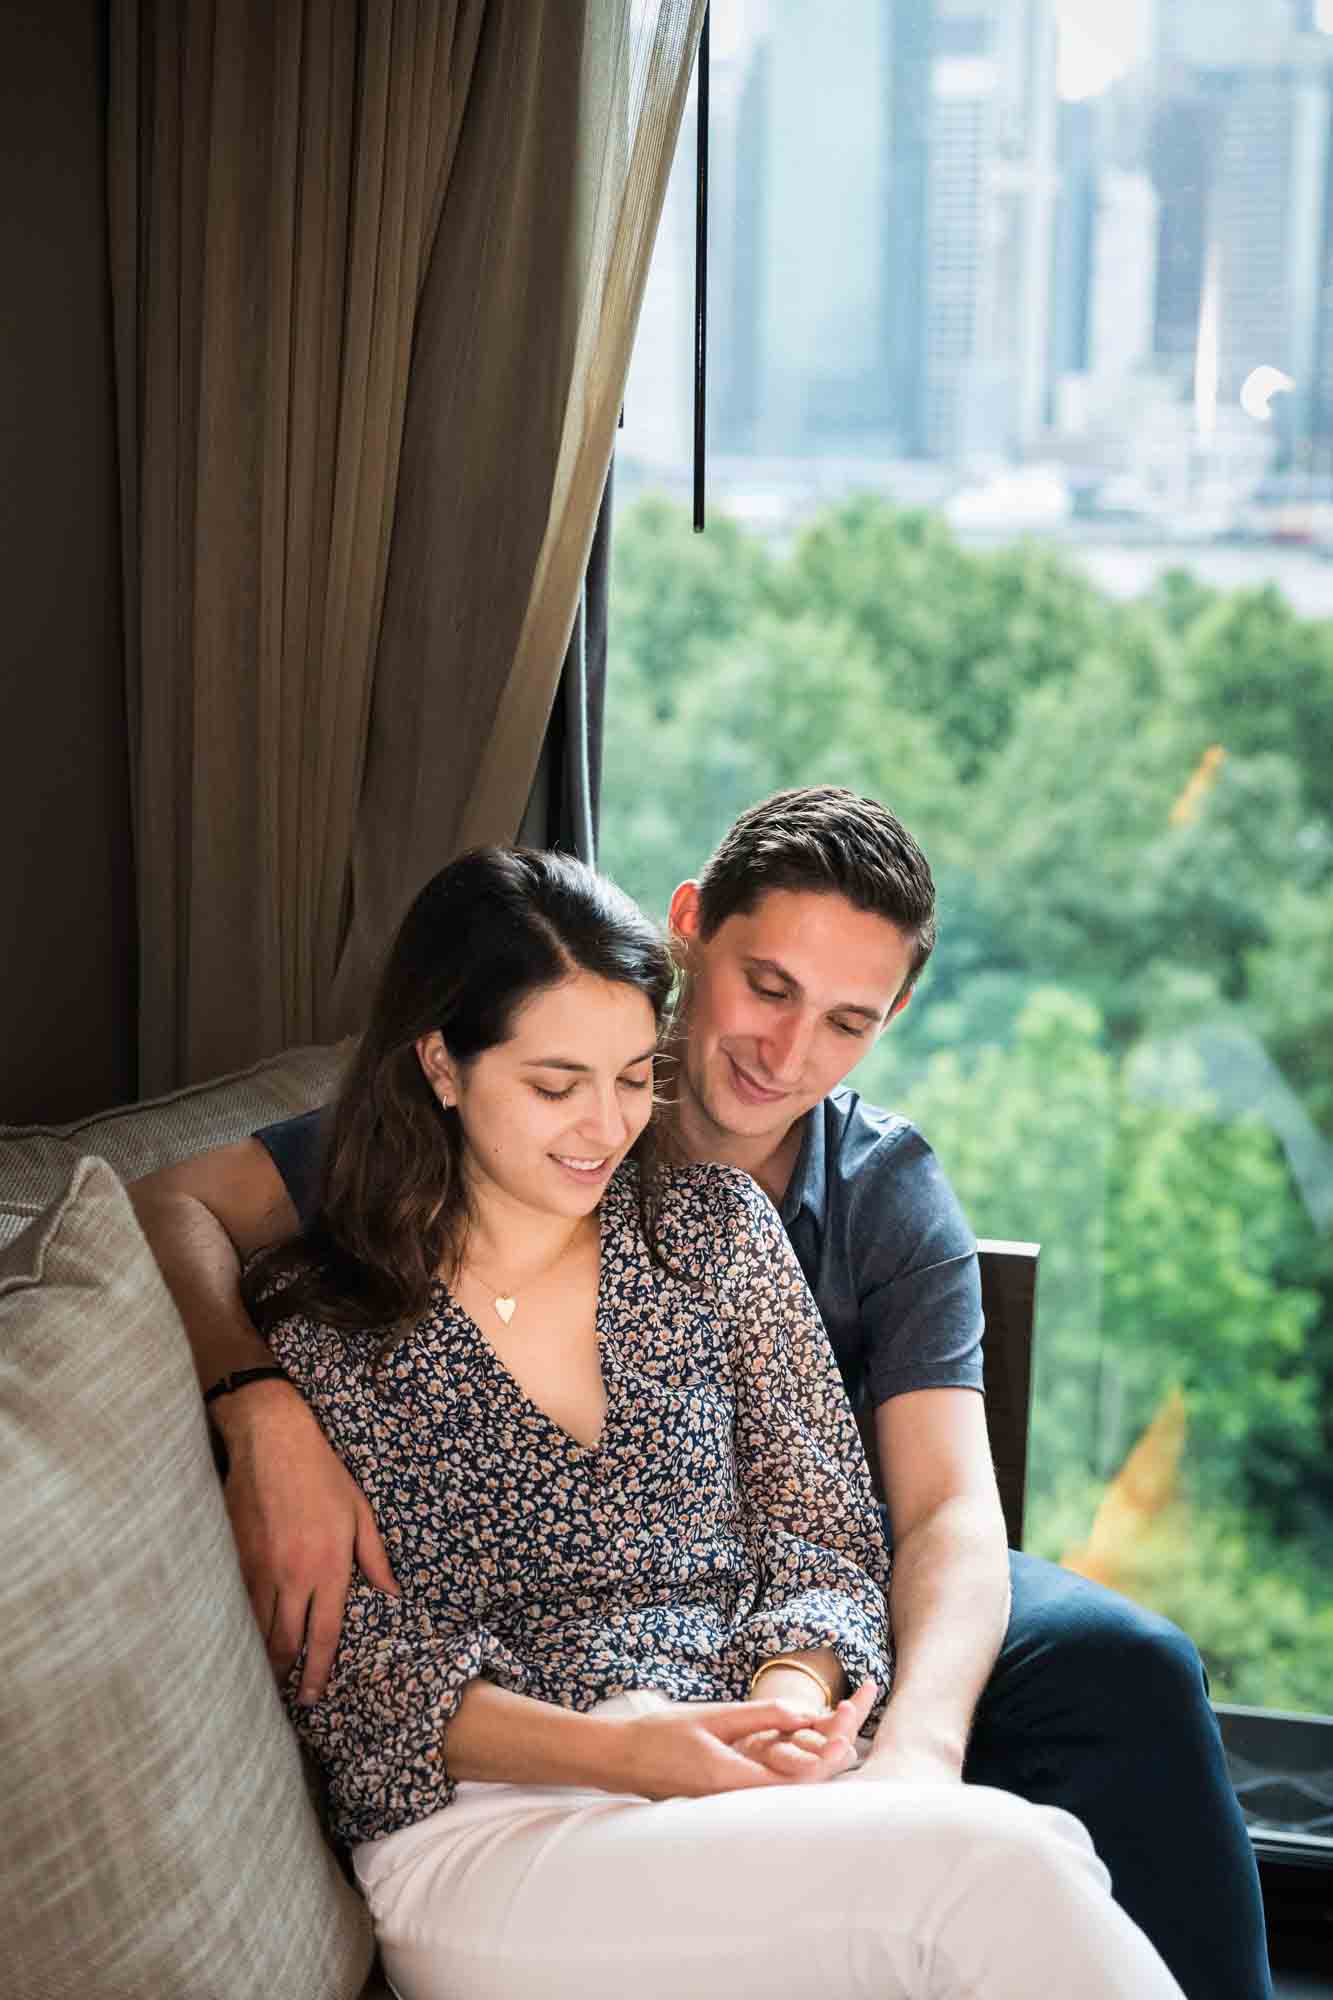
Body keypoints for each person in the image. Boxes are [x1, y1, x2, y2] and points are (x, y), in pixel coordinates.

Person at [130, 789, 1270, 2000]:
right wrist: (254, 1401)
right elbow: (356, 1669)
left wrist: (831, 1724)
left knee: (1094, 1717)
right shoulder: (334, 1286)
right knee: (1002, 1869)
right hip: (501, 1816)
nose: (609, 1121)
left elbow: (888, 1521)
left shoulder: (749, 1220)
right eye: (767, 989)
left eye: (630, 1078)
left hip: (743, 1721)